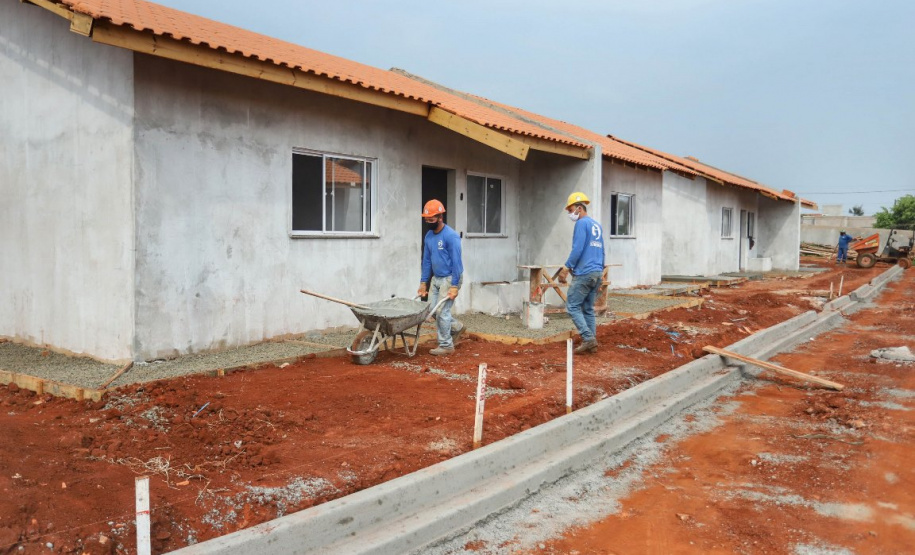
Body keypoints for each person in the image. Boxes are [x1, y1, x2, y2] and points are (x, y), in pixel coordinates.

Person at [558, 192, 605, 354]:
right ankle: (592, 343)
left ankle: (588, 338)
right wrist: (600, 274)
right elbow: (602, 251)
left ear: (579, 208)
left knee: (572, 305)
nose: (570, 214)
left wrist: (566, 268)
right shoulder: (596, 225)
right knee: (587, 309)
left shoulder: (581, 224)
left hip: (585, 273)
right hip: (597, 272)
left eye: (571, 210)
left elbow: (577, 249)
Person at [418, 199, 465, 356]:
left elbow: (457, 262)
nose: (428, 222)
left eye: (431, 219)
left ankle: (446, 345)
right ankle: (456, 327)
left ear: (440, 217)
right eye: (426, 219)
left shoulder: (451, 236)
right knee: (432, 310)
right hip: (437, 278)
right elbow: (426, 261)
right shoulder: (429, 236)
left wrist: (454, 285)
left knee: (442, 312)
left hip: (451, 277)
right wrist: (423, 282)